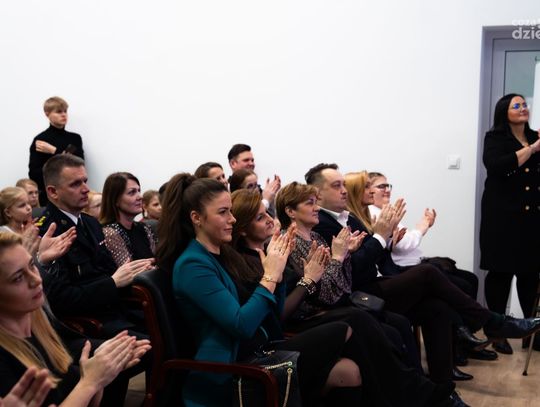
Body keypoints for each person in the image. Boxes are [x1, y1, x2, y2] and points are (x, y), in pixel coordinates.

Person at [307, 163, 540, 386]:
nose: (344, 190)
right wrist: (380, 236)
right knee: (428, 272)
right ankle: (491, 322)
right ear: (317, 194)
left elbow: (373, 256)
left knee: (437, 308)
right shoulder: (322, 224)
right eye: (336, 186)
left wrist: (385, 239)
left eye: (343, 184)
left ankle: (442, 389)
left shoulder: (348, 217)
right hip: (359, 293)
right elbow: (353, 270)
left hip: (379, 281)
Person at [231, 188, 461, 407]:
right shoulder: (260, 256)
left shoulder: (288, 244)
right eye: (260, 218)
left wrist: (343, 257)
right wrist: (317, 273)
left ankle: (417, 392)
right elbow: (301, 303)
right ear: (242, 229)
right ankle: (422, 393)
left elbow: (340, 287)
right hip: (295, 324)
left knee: (396, 321)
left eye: (267, 214)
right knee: (360, 318)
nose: (270, 220)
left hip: (317, 309)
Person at [156, 174, 366, 407]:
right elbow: (242, 325)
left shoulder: (222, 253)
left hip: (258, 349)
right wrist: (271, 276)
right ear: (196, 218)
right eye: (223, 212)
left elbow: (272, 318)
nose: (232, 219)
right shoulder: (193, 264)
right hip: (229, 368)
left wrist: (279, 275)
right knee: (346, 330)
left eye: (231, 211)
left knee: (348, 370)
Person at [0, 232, 150, 406]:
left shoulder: (38, 323)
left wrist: (99, 376)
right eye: (18, 278)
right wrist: (90, 382)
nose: (36, 280)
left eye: (32, 265)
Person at [38, 154, 153, 338]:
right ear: (53, 192)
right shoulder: (47, 232)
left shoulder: (90, 223)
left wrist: (131, 273)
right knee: (154, 342)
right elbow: (61, 300)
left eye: (85, 181)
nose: (86, 189)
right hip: (91, 322)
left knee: (170, 324)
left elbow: (106, 270)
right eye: (75, 184)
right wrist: (112, 283)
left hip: (116, 308)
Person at [480, 93, 540, 354]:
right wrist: (532, 149)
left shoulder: (535, 135)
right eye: (517, 105)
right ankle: (497, 332)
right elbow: (497, 166)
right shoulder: (495, 138)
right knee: (500, 273)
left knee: (530, 273)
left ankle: (531, 331)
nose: (523, 108)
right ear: (504, 111)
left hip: (532, 217)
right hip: (501, 218)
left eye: (524, 105)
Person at [28, 97, 84, 206]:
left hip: (74, 191)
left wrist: (53, 150)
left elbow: (79, 164)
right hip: (50, 195)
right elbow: (34, 174)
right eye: (58, 112)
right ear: (47, 114)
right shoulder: (41, 140)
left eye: (65, 111)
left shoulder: (74, 138)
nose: (64, 115)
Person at [100, 172, 156, 268]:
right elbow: (130, 271)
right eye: (132, 192)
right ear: (115, 200)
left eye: (139, 191)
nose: (140, 197)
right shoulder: (109, 233)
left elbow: (158, 260)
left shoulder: (144, 228)